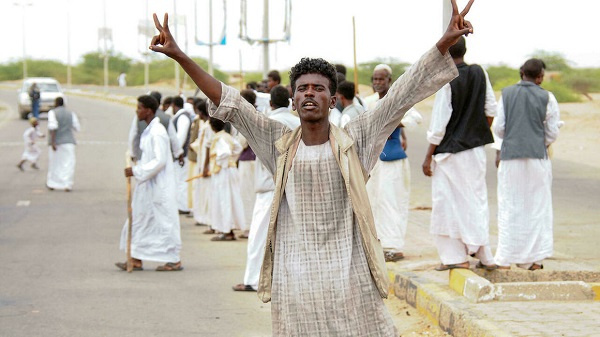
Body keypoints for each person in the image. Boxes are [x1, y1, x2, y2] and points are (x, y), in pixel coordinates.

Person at [149, 0, 472, 333]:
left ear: (332, 100)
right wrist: (180, 55)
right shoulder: (277, 142)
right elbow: (229, 102)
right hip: (296, 280)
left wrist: (444, 42)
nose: (310, 94)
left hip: (350, 277)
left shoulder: (356, 138)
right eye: (302, 88)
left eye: (319, 88)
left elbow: (401, 95)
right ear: (292, 100)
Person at [422, 36, 497, 271]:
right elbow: (491, 109)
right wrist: (475, 130)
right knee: (475, 201)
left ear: (444, 54)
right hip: (474, 151)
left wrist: (428, 156)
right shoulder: (479, 72)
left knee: (447, 204)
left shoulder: (447, 79)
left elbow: (439, 125)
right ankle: (484, 255)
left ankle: (456, 258)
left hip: (449, 154)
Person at [492, 58, 560, 270]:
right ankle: (532, 260)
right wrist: (535, 139)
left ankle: (504, 258)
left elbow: (499, 129)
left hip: (511, 158)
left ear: (522, 72)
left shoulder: (507, 94)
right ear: (540, 77)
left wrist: (515, 137)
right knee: (536, 208)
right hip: (537, 159)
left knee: (510, 206)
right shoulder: (547, 97)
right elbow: (552, 132)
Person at [233, 84, 300, 292]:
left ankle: (254, 280)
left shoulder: (269, 122)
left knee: (259, 236)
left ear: (270, 103)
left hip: (269, 186)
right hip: (292, 186)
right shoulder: (297, 122)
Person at [363, 64, 423, 263]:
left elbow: (416, 118)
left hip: (393, 161)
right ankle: (380, 244)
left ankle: (394, 246)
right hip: (375, 162)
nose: (378, 83)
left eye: (381, 79)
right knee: (374, 201)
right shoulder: (370, 103)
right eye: (375, 79)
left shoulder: (398, 100)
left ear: (389, 80)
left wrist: (397, 124)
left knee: (392, 202)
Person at [117, 95, 183, 272]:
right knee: (140, 219)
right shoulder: (149, 131)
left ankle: (174, 260)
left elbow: (160, 161)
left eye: (139, 108)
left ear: (148, 110)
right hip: (147, 185)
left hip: (159, 186)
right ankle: (135, 258)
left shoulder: (158, 132)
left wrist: (137, 171)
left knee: (165, 223)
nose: (137, 111)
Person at [207, 117, 244, 241]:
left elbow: (225, 153)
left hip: (223, 172)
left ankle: (226, 230)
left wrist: (221, 162)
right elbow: (238, 148)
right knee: (231, 199)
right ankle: (228, 229)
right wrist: (232, 160)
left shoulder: (219, 138)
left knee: (224, 200)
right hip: (230, 170)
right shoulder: (228, 136)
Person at [128, 91, 182, 164]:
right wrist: (178, 153)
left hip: (144, 158)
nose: (137, 111)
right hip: (162, 159)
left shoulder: (138, 118)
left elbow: (133, 136)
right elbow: (173, 138)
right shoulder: (166, 118)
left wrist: (133, 153)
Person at [237, 89, 259, 238]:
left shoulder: (245, 115)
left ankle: (248, 227)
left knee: (246, 194)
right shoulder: (259, 113)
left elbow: (241, 142)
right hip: (257, 160)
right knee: (255, 194)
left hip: (246, 160)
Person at [46, 97, 80, 192]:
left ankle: (52, 183)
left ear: (56, 103)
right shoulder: (71, 114)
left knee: (54, 163)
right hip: (69, 141)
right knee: (68, 163)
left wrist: (53, 142)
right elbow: (77, 127)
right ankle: (67, 184)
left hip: (56, 142)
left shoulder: (52, 113)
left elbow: (53, 127)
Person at [190, 99, 212, 227]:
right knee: (200, 190)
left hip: (205, 164)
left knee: (207, 192)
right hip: (201, 161)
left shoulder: (208, 126)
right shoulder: (204, 125)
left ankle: (207, 219)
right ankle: (201, 217)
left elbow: (208, 146)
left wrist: (206, 165)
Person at [171, 96, 192, 214]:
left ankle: (183, 206)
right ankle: (180, 205)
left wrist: (177, 153)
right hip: (180, 155)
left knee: (182, 181)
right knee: (179, 180)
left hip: (182, 156)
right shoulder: (181, 116)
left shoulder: (183, 117)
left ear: (174, 105)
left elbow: (180, 138)